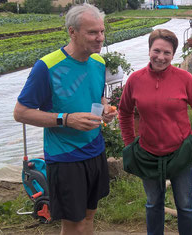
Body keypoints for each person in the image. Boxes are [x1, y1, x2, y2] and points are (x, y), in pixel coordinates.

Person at [13, 3, 117, 235]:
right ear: (72, 32)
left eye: (101, 31)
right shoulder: (47, 67)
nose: (100, 38)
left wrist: (106, 109)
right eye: (92, 32)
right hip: (65, 157)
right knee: (73, 224)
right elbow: (20, 112)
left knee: (89, 218)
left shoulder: (98, 62)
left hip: (95, 150)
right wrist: (66, 119)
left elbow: (97, 97)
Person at [119, 29, 192, 235]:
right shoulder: (135, 79)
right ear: (149, 50)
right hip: (148, 154)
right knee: (153, 203)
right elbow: (124, 112)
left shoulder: (184, 78)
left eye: (167, 53)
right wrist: (129, 143)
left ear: (173, 54)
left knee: (185, 204)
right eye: (157, 50)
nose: (161, 57)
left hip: (180, 154)